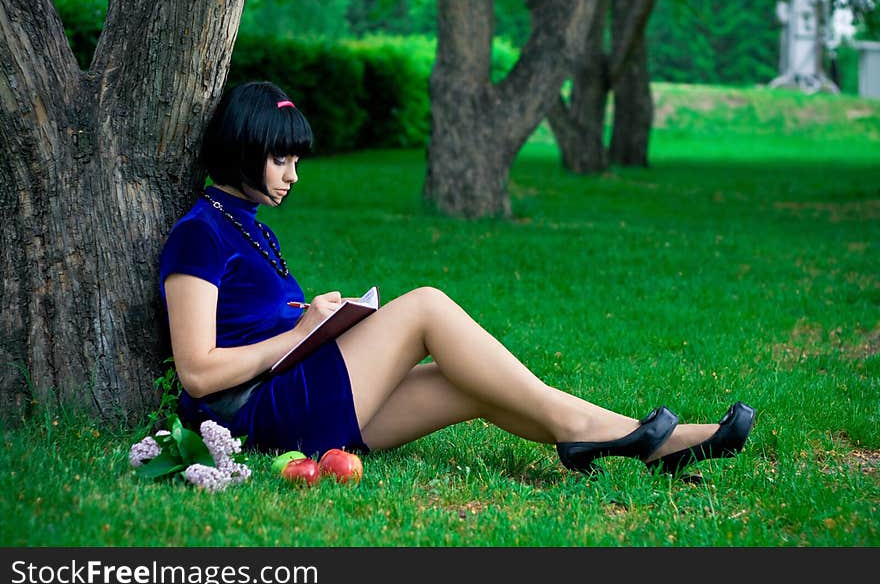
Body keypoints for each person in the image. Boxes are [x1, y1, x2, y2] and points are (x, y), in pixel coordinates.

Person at [159, 80, 756, 479]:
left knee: (469, 383)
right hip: (258, 416)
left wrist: (318, 324)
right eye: (281, 160)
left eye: (297, 161)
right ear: (243, 150)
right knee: (424, 306)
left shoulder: (250, 226)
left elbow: (258, 324)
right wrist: (298, 334)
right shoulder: (200, 232)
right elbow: (198, 371)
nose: (294, 175)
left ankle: (644, 442)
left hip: (296, 393)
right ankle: (601, 434)